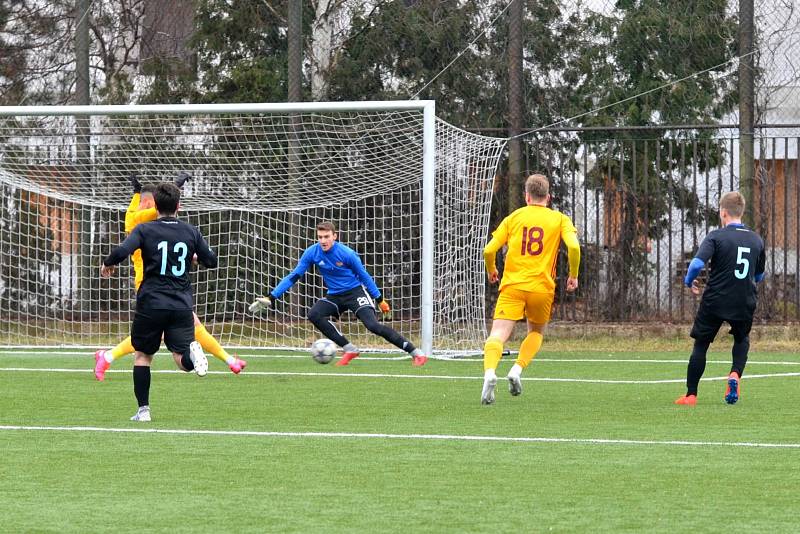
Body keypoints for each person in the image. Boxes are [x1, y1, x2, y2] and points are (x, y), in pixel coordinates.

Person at [94, 173, 246, 380]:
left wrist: (138, 192)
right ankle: (229, 361)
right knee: (166, 336)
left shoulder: (136, 216)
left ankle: (107, 357)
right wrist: (176, 185)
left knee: (168, 333)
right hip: (152, 285)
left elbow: (163, 206)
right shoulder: (138, 219)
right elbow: (166, 205)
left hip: (157, 287)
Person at [101, 182, 218, 422]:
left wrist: (108, 263)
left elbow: (122, 251)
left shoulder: (144, 230)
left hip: (151, 303)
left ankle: (143, 411)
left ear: (155, 206)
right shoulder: (191, 232)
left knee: (143, 355)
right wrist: (193, 257)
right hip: (181, 304)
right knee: (181, 359)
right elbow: (211, 260)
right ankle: (194, 358)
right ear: (179, 206)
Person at [248, 221, 427, 367]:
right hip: (334, 296)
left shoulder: (347, 254)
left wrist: (379, 299)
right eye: (320, 237)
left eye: (326, 237)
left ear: (335, 236)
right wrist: (271, 296)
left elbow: (364, 276)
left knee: (373, 326)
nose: (323, 240)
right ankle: (349, 349)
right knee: (314, 314)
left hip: (355, 292)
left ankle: (415, 352)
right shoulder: (312, 252)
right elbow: (294, 276)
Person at [480, 174, 580, 405]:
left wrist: (492, 269)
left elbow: (488, 250)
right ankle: (516, 370)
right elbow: (574, 247)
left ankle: (489, 374)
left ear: (527, 197)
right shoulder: (559, 219)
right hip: (541, 288)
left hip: (513, 286)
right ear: (548, 197)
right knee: (535, 333)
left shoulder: (514, 217)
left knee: (497, 335)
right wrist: (573, 275)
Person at [675, 191, 765, 406]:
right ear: (741, 212)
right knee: (741, 339)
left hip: (716, 298)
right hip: (744, 298)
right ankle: (734, 374)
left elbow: (697, 264)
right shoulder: (756, 239)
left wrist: (689, 282)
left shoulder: (716, 236)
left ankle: (691, 395)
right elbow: (759, 275)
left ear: (723, 213)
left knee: (701, 344)